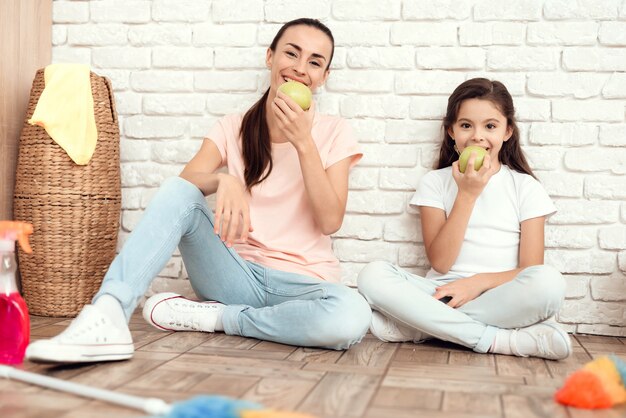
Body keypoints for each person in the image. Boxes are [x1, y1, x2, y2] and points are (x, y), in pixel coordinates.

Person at [27, 18, 371, 363]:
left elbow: (330, 221)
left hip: (304, 287)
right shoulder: (233, 127)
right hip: (236, 277)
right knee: (181, 192)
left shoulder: (334, 132)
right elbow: (182, 189)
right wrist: (224, 180)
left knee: (352, 315)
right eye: (291, 54)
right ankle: (109, 313)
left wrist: (303, 142)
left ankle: (217, 319)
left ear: (324, 76)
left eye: (314, 62)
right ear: (270, 57)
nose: (299, 68)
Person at [357, 78, 571, 360]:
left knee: (549, 283)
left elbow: (530, 269)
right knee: (372, 275)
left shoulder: (525, 187)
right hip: (439, 292)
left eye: (490, 126)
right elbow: (441, 262)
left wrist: (476, 283)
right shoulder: (435, 182)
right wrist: (467, 195)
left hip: (496, 296)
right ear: (451, 131)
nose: (477, 136)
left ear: (507, 131)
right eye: (466, 125)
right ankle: (499, 340)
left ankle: (422, 325)